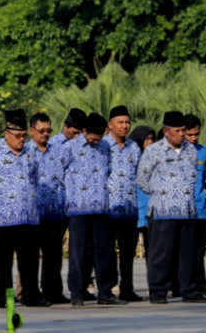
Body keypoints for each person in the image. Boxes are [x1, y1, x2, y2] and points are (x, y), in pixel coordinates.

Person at [0, 109, 48, 308]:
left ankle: (31, 295)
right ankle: (3, 298)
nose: (21, 140)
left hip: (28, 216)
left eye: (24, 136)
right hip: (3, 216)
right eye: (17, 136)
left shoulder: (31, 152)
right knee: (2, 263)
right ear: (7, 134)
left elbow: (35, 177)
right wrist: (0, 196)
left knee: (30, 261)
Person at [137, 111, 206, 304]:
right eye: (177, 131)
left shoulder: (191, 151)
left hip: (187, 210)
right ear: (166, 131)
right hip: (162, 210)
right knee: (161, 254)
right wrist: (162, 193)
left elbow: (193, 178)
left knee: (187, 254)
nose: (181, 134)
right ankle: (158, 291)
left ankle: (189, 290)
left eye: (183, 131)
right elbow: (142, 180)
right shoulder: (153, 151)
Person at [62, 112, 126, 306]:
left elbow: (109, 171)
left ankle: (105, 292)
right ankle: (77, 293)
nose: (95, 142)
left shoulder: (106, 147)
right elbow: (58, 174)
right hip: (78, 208)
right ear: (84, 131)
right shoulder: (69, 148)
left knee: (103, 251)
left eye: (99, 139)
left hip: (101, 208)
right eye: (92, 138)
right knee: (78, 252)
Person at [25, 112, 70, 304]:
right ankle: (31, 293)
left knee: (53, 256)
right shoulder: (24, 152)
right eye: (41, 130)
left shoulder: (58, 151)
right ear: (31, 130)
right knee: (31, 257)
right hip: (32, 214)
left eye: (48, 130)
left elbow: (66, 179)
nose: (45, 134)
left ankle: (53, 292)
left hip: (54, 212)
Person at [104, 106, 144, 302]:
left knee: (127, 253)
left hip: (130, 209)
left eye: (127, 122)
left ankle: (127, 289)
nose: (125, 126)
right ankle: (108, 288)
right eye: (120, 122)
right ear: (110, 124)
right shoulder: (101, 146)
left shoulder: (134, 148)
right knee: (107, 252)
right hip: (108, 209)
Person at [183, 114, 206, 297]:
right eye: (189, 134)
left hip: (199, 209)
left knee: (198, 250)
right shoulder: (173, 152)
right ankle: (177, 285)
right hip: (178, 211)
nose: (193, 138)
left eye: (196, 134)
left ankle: (201, 284)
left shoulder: (204, 152)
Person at [127, 125, 156, 259]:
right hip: (133, 209)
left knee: (153, 250)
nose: (150, 142)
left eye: (152, 139)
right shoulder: (130, 158)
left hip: (151, 209)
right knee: (128, 249)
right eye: (147, 139)